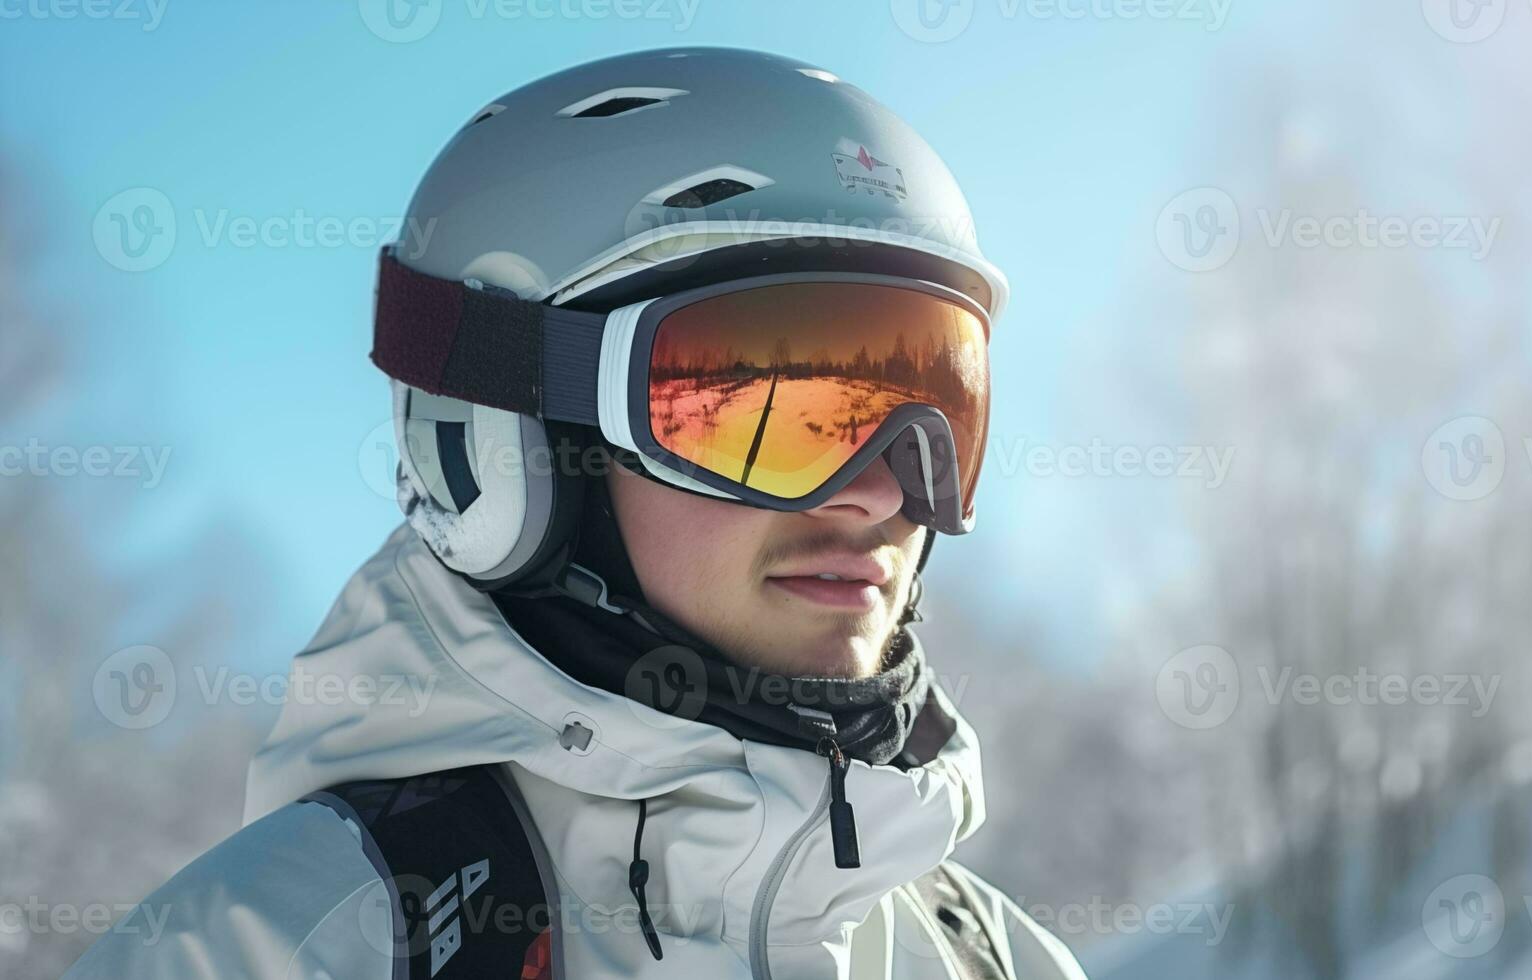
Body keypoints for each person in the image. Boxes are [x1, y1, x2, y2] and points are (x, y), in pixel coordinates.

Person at [66, 47, 1087, 980]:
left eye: (936, 409)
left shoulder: (1004, 960)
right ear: (504, 443)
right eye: (766, 408)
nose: (878, 493)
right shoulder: (270, 950)